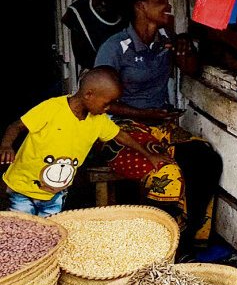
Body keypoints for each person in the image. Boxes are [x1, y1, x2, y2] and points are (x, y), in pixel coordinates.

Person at [94, 0, 222, 247]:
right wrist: (144, 113)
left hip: (160, 127)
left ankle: (189, 236)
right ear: (140, 6)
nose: (167, 6)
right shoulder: (115, 47)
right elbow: (99, 102)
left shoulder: (165, 41)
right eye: (159, 1)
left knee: (205, 158)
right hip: (121, 130)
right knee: (166, 173)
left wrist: (184, 43)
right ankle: (156, 244)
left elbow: (191, 69)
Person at [1, 70, 167, 216]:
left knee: (48, 232)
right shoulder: (52, 108)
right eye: (106, 103)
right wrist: (6, 146)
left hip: (55, 194)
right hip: (22, 188)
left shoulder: (99, 120)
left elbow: (121, 136)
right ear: (89, 95)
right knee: (21, 230)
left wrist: (149, 155)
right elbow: (16, 126)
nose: (108, 108)